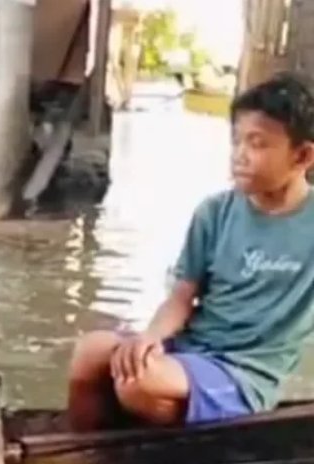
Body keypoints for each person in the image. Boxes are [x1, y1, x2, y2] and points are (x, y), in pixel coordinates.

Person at [67, 72, 314, 432]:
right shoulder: (214, 213)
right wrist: (151, 338)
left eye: (257, 144)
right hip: (189, 350)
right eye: (236, 141)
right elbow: (181, 298)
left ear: (303, 155)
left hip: (243, 373)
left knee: (136, 385)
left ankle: (129, 453)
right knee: (91, 352)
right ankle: (79, 455)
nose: (240, 156)